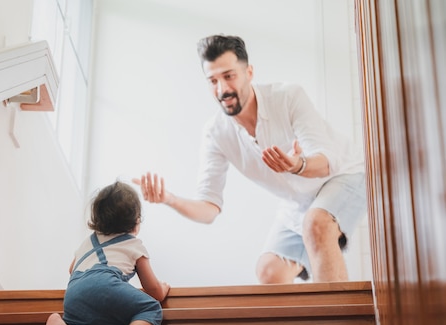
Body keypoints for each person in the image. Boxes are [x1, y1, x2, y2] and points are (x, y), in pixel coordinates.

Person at [135, 35, 366, 284]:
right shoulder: (216, 133)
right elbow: (209, 208)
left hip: (345, 173)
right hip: (298, 203)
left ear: (249, 72)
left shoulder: (288, 97)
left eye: (229, 76)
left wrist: (298, 166)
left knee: (316, 223)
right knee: (269, 272)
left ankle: (337, 322)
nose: (222, 89)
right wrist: (170, 199)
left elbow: (325, 161)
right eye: (213, 81)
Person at [42, 181, 171, 325]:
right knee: (150, 309)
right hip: (105, 284)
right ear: (136, 222)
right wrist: (163, 288)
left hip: (74, 293)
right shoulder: (135, 245)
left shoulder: (87, 242)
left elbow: (71, 269)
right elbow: (154, 291)